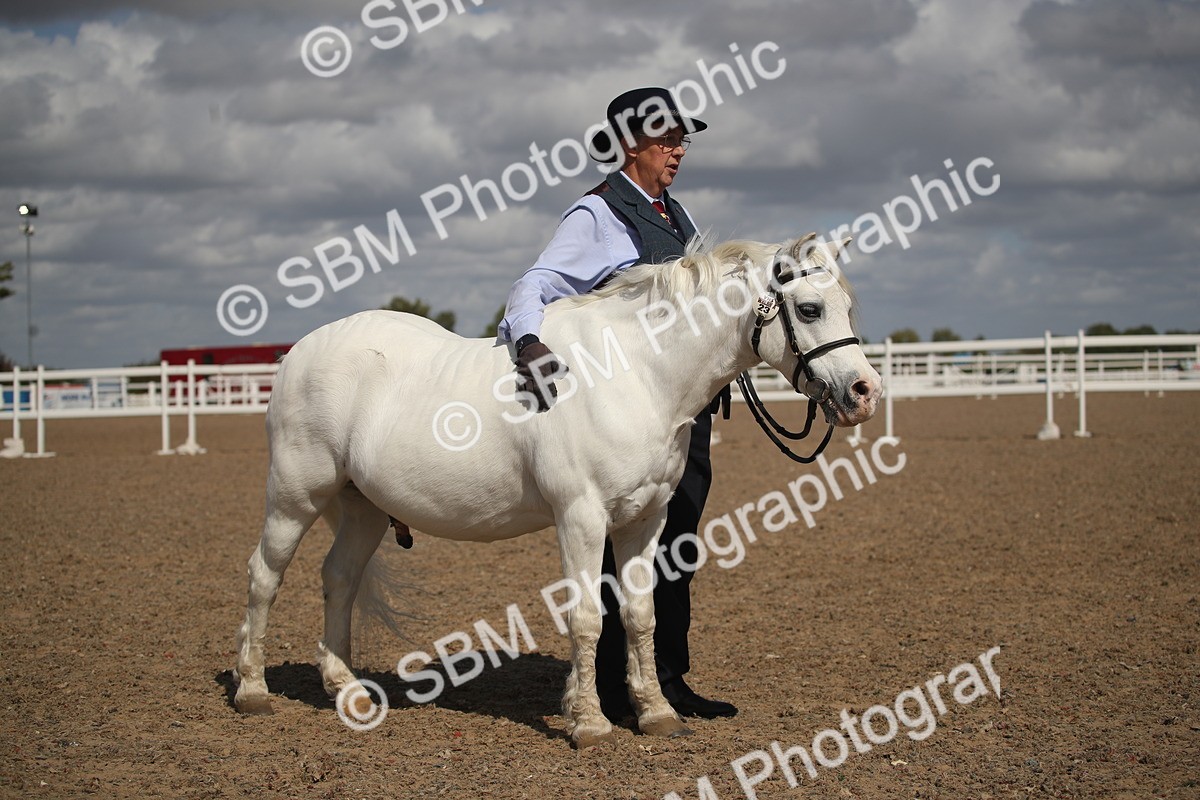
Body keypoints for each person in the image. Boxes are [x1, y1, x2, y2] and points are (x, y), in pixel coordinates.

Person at [498, 87, 737, 720]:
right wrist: (525, 337)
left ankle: (665, 676)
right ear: (630, 143)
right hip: (616, 421)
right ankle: (608, 682)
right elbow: (537, 283)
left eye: (683, 139)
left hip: (680, 418)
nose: (678, 150)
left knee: (675, 544)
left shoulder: (674, 213)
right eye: (666, 139)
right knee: (614, 549)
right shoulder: (597, 215)